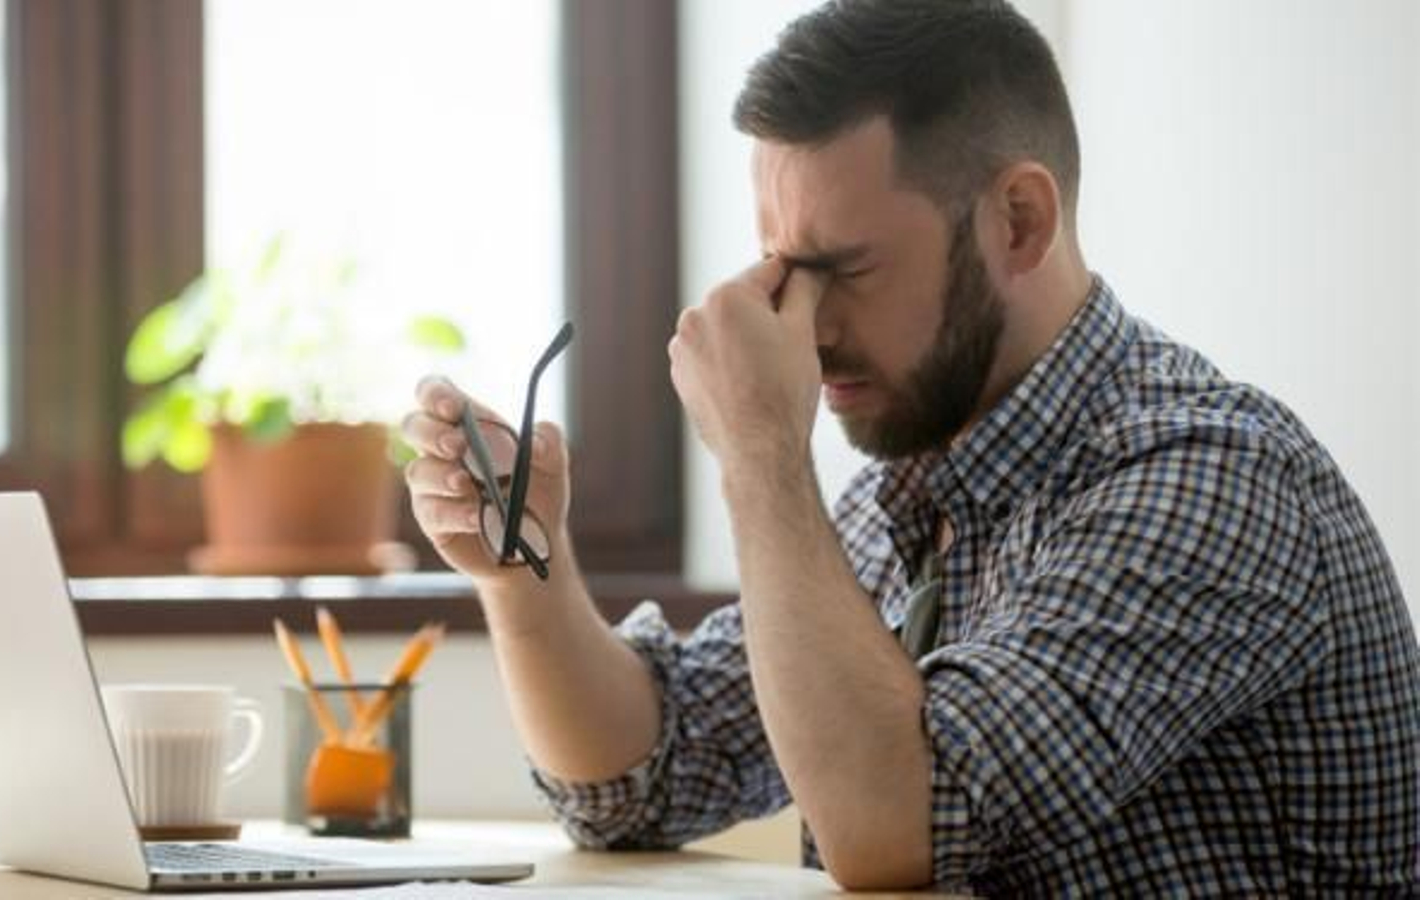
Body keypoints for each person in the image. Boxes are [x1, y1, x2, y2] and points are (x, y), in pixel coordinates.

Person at [400, 0, 1420, 893]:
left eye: (842, 268)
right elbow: (636, 780)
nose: (803, 323)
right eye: (780, 273)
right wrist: (521, 571)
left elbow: (898, 827)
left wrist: (760, 450)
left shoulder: (1207, 480)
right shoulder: (912, 490)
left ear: (1018, 222)